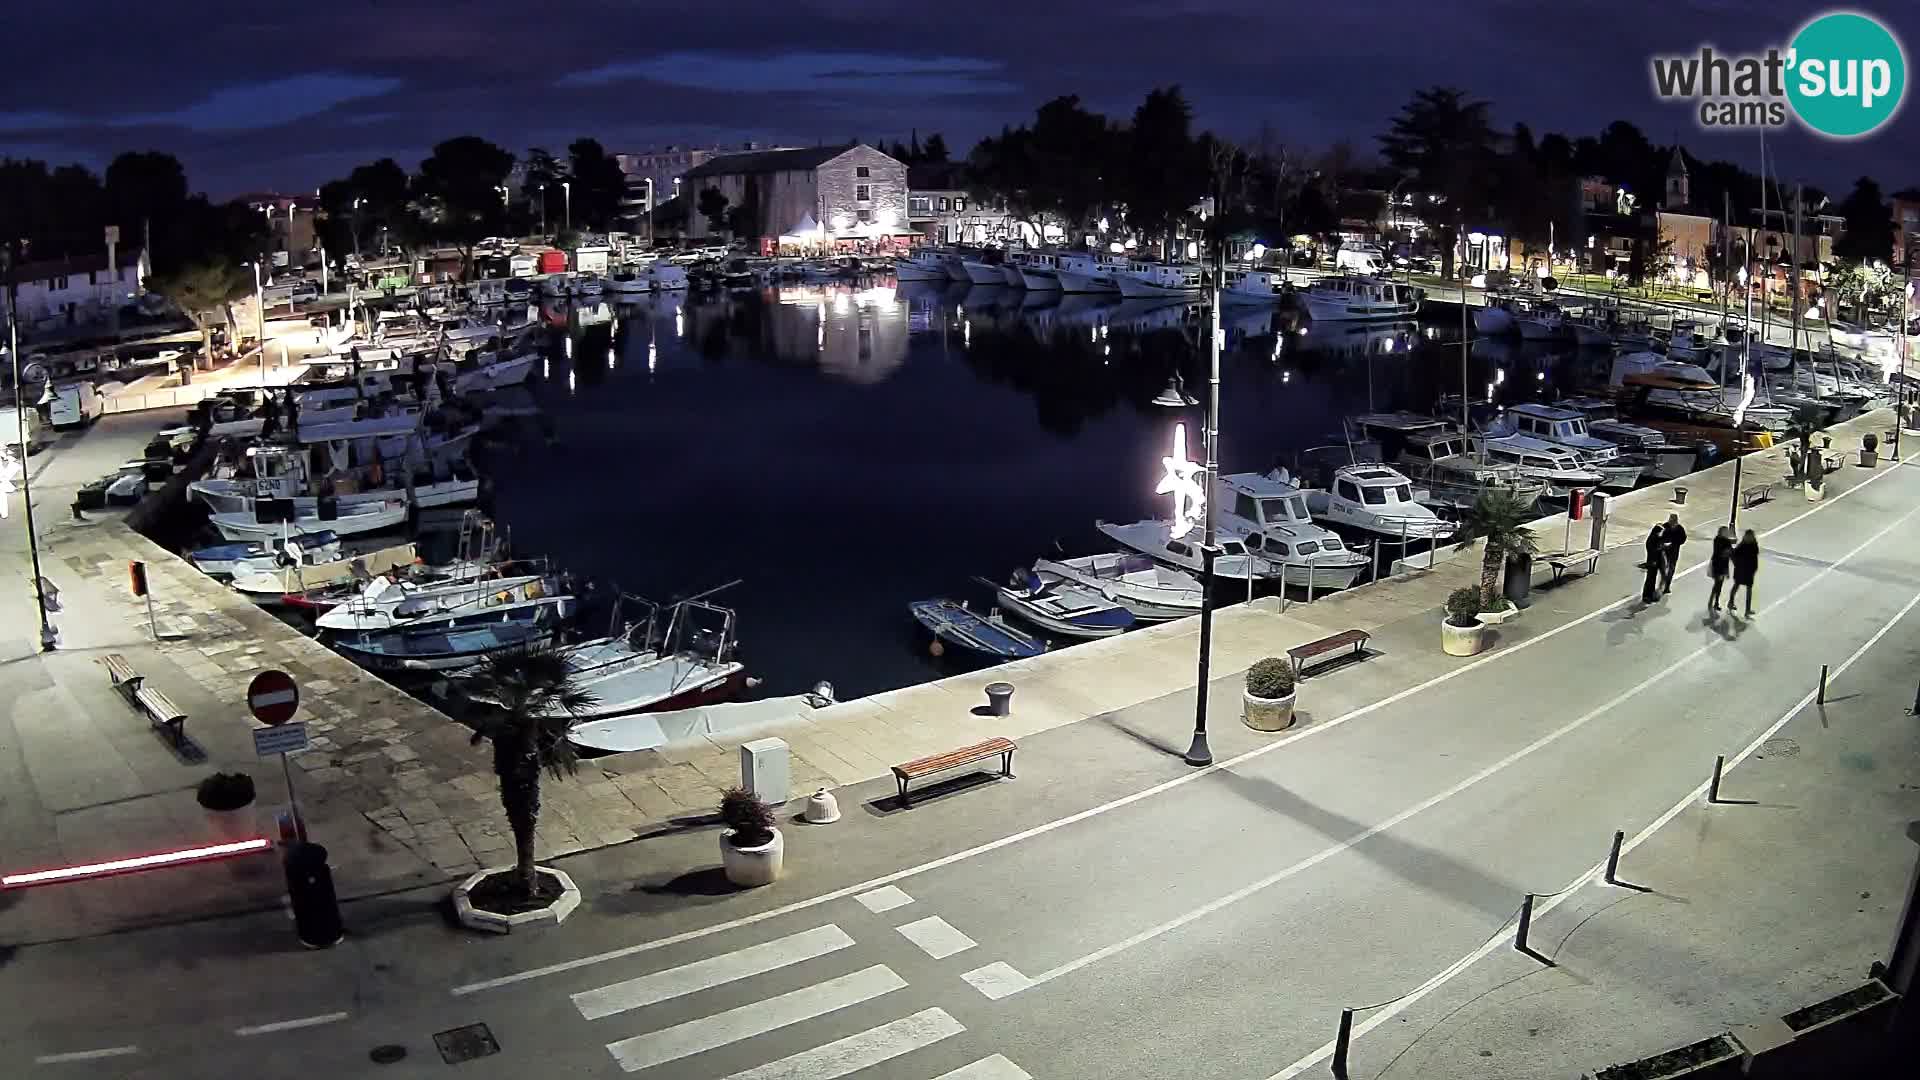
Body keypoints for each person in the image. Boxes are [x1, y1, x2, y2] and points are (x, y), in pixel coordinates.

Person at [1729, 529, 1760, 617]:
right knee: (1736, 586)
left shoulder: (1754, 546)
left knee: (1748, 590)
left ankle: (1747, 609)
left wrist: (1754, 569)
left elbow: (1754, 559)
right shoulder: (1742, 546)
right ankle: (1731, 602)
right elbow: (1733, 556)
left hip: (1749, 571)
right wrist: (1737, 565)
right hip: (1741, 570)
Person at [1659, 514, 1687, 595]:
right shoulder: (1665, 526)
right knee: (1663, 568)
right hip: (1664, 551)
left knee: (1671, 568)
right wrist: (1663, 543)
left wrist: (1673, 543)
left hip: (1674, 551)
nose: (1671, 522)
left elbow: (1683, 539)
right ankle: (1663, 581)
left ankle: (1667, 586)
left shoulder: (1680, 529)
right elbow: (1660, 536)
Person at [1708, 526, 1734, 612]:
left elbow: (1730, 553)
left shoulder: (1726, 541)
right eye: (1725, 531)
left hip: (1723, 565)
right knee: (1718, 584)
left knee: (1718, 584)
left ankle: (1714, 600)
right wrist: (1727, 552)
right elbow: (1720, 552)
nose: (1727, 533)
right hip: (1718, 565)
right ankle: (1715, 602)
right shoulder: (1718, 540)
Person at [1642, 525, 1663, 604]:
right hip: (1652, 562)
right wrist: (1660, 548)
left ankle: (1650, 594)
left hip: (1655, 562)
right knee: (1650, 579)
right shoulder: (1651, 540)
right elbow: (1653, 551)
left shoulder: (1656, 538)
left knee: (1652, 579)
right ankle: (1646, 596)